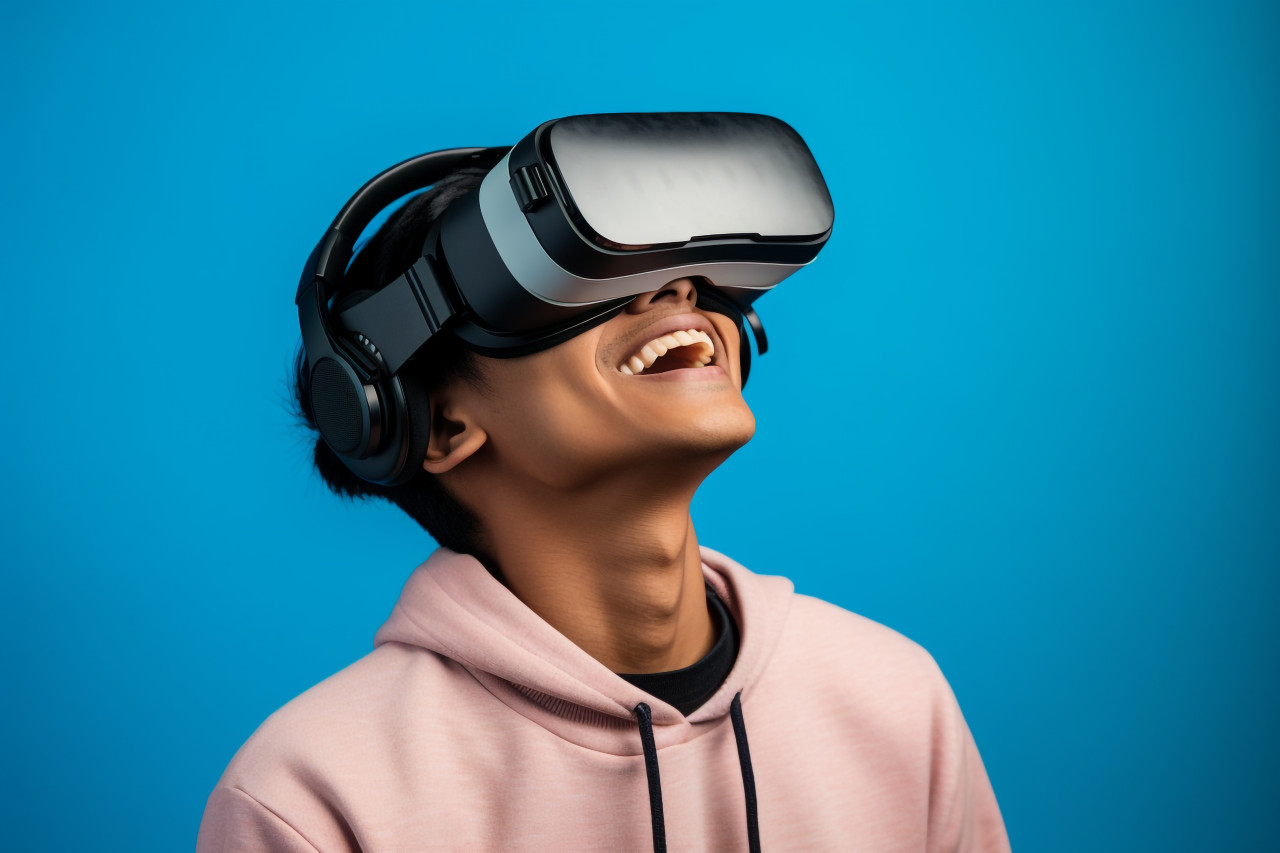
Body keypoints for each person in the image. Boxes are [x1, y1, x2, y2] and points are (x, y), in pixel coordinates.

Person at [197, 117, 1011, 852]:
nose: (677, 288)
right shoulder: (312, 795)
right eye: (555, 282)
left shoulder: (895, 699)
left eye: (683, 265)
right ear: (439, 425)